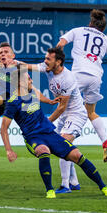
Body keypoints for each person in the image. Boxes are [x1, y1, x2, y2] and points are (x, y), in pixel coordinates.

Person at [0, 66, 107, 198]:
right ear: (19, 82)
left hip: (49, 133)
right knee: (44, 151)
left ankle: (103, 186)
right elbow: (3, 129)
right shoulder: (12, 102)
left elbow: (39, 94)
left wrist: (50, 101)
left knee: (77, 155)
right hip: (33, 138)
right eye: (28, 77)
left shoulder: (31, 91)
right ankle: (50, 190)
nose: (31, 79)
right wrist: (9, 150)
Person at [57, 9, 107, 162]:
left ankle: (64, 141)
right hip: (95, 77)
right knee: (91, 112)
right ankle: (105, 141)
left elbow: (61, 44)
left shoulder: (78, 30)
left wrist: (57, 62)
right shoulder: (106, 39)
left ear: (90, 23)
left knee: (65, 106)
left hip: (78, 74)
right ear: (103, 28)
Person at [24, 47, 87, 194]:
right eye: (45, 58)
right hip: (64, 115)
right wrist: (12, 62)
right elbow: (28, 66)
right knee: (60, 146)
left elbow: (62, 107)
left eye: (48, 59)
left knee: (63, 143)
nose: (45, 61)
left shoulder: (68, 78)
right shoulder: (48, 69)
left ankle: (65, 185)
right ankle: (74, 182)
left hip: (75, 114)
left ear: (58, 62)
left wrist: (47, 122)